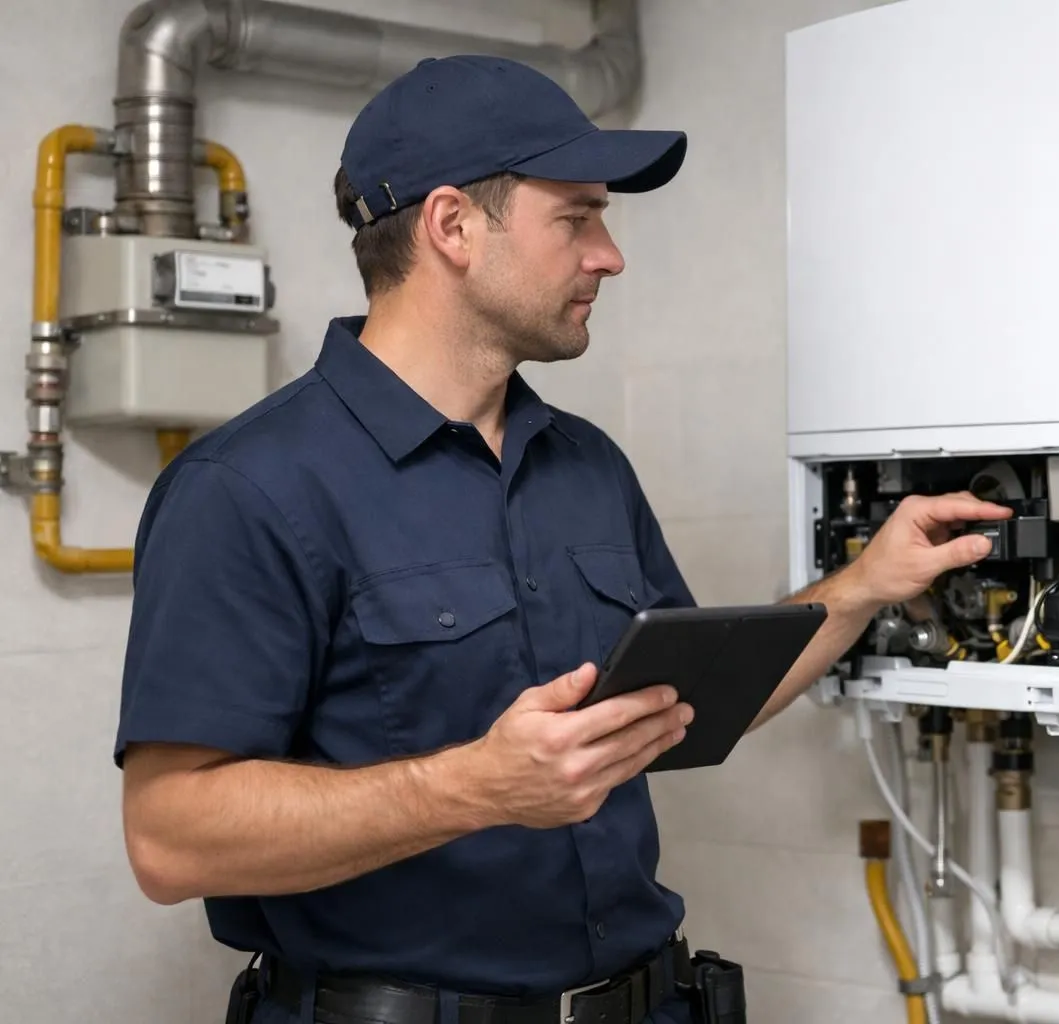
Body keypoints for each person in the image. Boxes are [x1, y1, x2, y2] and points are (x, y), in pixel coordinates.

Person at [114, 55, 1011, 1024]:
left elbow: (689, 703)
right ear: (453, 226)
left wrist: (866, 583)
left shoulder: (586, 464)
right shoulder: (250, 486)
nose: (609, 256)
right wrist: (477, 786)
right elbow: (170, 839)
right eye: (576, 218)